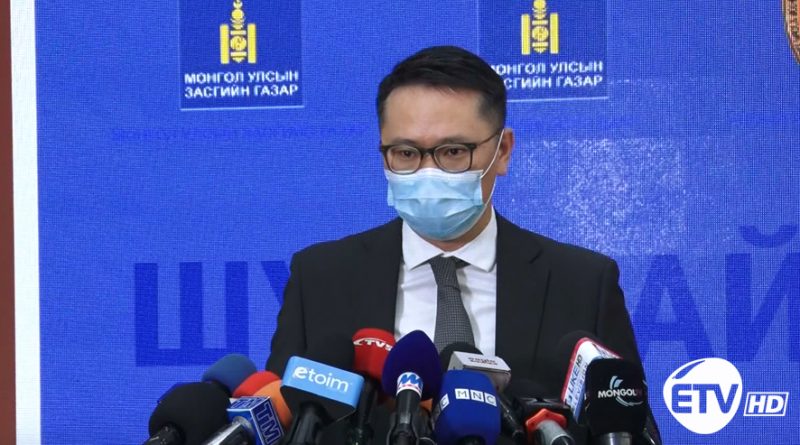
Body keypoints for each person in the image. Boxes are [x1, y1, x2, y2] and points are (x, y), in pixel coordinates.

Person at [266, 45, 660, 444]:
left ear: (502, 151)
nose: (427, 172)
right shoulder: (320, 278)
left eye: (453, 152)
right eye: (405, 153)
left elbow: (633, 429)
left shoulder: (582, 283)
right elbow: (280, 424)